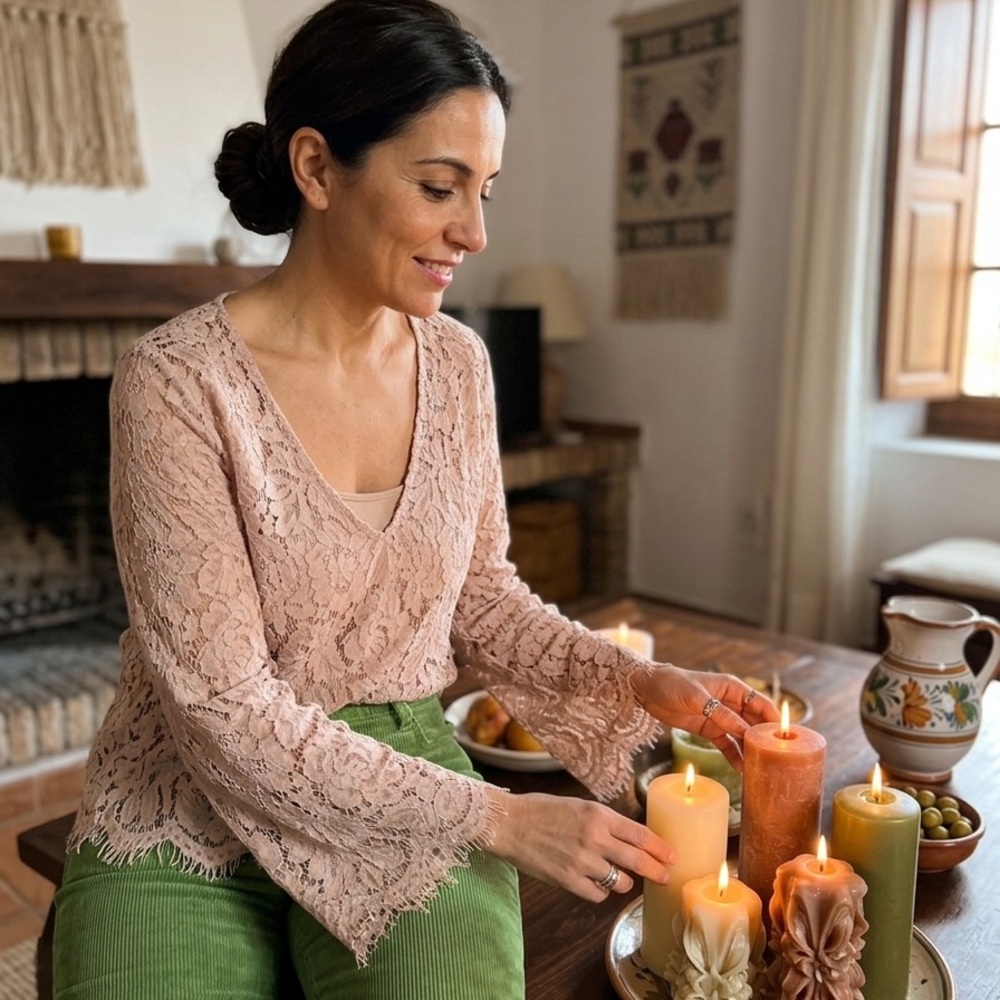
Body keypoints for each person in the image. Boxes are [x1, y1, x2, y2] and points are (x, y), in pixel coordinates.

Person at [51, 1, 779, 997]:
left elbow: (477, 593)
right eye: (440, 186)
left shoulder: (460, 367)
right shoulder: (178, 382)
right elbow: (221, 706)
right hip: (182, 793)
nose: (475, 232)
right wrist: (502, 817)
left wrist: (635, 681)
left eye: (484, 190)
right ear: (314, 167)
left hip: (398, 776)